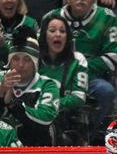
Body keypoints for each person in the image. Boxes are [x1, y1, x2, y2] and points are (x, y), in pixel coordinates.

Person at [46, 0, 117, 139]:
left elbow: (112, 57)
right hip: (56, 75)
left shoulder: (107, 17)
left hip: (91, 79)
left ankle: (92, 134)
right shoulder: (51, 18)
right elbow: (42, 52)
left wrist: (79, 71)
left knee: (105, 91)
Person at [0, 26, 60, 146]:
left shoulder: (47, 85)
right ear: (9, 61)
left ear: (35, 64)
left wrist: (12, 104)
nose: (21, 64)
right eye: (16, 58)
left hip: (34, 151)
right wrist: (0, 91)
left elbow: (44, 120)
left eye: (27, 59)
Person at [38, 13, 89, 146]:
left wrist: (49, 107)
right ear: (44, 35)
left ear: (68, 37)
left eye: (62, 31)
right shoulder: (34, 59)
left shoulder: (78, 59)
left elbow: (78, 98)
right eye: (52, 30)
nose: (58, 34)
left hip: (64, 119)